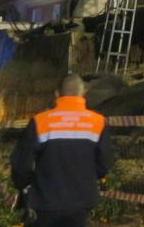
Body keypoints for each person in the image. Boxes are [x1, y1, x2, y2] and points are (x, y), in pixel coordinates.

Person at [10, 73, 114, 227]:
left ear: (57, 94)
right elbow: (104, 163)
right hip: (81, 202)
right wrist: (87, 178)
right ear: (83, 93)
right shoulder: (97, 122)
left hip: (45, 202)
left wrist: (26, 185)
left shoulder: (40, 122)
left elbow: (21, 164)